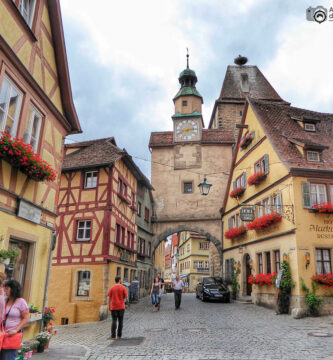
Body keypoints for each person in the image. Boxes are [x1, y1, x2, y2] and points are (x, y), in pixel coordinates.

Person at [0, 280, 29, 360]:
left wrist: (16, 330)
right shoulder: (5, 300)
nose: (5, 291)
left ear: (13, 289)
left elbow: (26, 318)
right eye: (4, 289)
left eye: (7, 289)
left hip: (12, 334)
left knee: (7, 357)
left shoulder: (21, 302)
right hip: (2, 334)